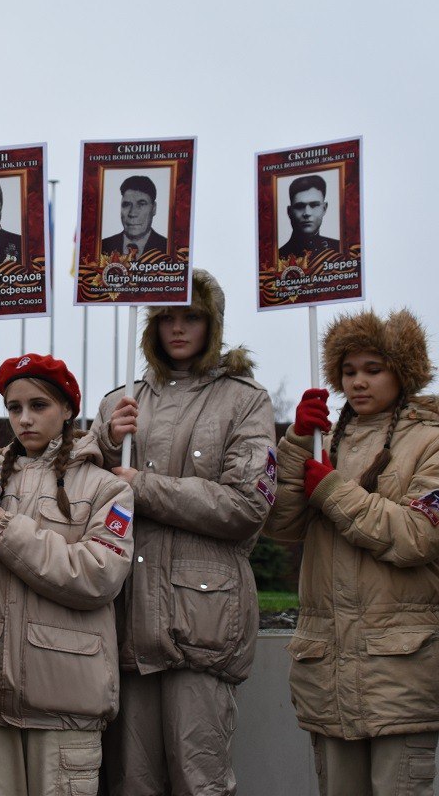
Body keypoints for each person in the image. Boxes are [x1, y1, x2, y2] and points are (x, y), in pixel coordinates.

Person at [262, 309, 439, 796]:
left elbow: (418, 535)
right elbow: (280, 525)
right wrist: (295, 443)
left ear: (403, 372)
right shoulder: (323, 439)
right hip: (327, 672)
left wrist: (331, 489)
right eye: (349, 371)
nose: (358, 382)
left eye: (373, 369)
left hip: (399, 671)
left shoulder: (438, 442)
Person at [92, 268, 276, 796]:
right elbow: (80, 493)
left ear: (212, 323)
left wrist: (142, 487)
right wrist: (103, 443)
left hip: (203, 620)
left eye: (191, 317)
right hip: (128, 620)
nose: (177, 328)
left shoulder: (245, 399)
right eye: (166, 316)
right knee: (131, 782)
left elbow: (247, 504)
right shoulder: (121, 400)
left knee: (201, 781)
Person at [0, 353, 133, 796]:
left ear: (66, 410)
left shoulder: (107, 488)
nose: (24, 418)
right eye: (14, 407)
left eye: (38, 405)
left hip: (67, 704)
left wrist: (8, 530)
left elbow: (99, 577)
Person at [100, 174, 169, 258]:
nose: (132, 213)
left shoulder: (169, 249)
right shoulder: (102, 247)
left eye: (141, 204)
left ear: (153, 208)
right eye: (126, 204)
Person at [277, 174, 340, 260]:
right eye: (299, 206)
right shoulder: (277, 257)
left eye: (314, 205)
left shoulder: (341, 250)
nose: (307, 213)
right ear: (289, 211)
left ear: (324, 208)